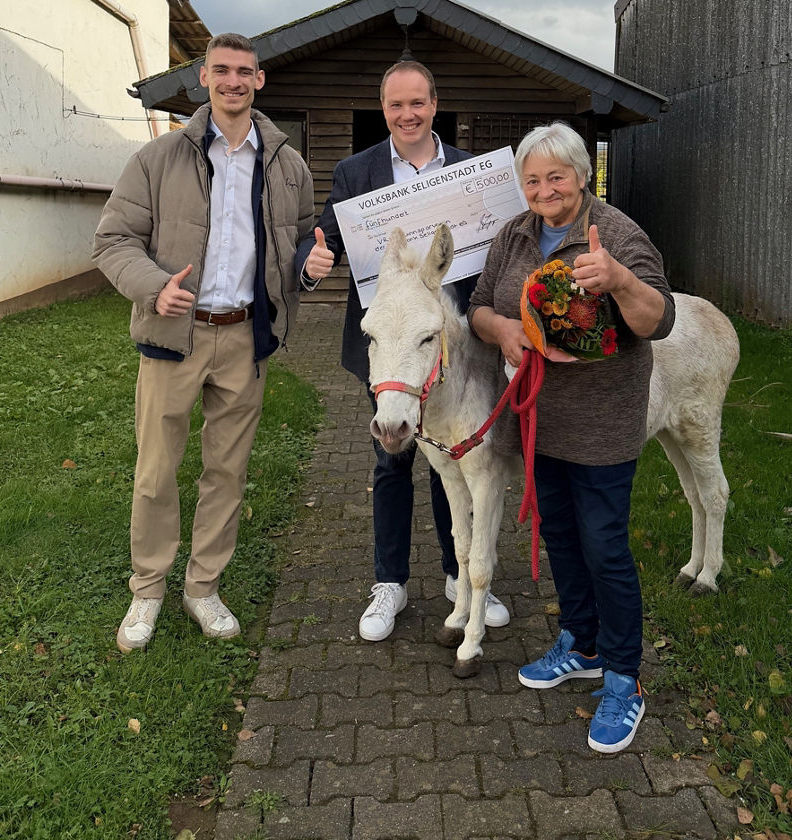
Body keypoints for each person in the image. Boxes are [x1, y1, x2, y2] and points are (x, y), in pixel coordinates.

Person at [93, 33, 314, 653]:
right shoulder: (159, 159)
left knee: (228, 471)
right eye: (222, 70)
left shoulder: (286, 164)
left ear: (260, 81)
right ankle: (148, 591)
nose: (233, 82)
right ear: (203, 79)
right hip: (175, 337)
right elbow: (112, 241)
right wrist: (155, 287)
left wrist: (308, 266)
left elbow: (294, 249)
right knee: (156, 471)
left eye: (245, 72)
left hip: (245, 336)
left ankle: (203, 587)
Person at [468, 122, 674, 753]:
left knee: (605, 546)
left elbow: (658, 319)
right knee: (557, 533)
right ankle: (581, 643)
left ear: (583, 176)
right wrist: (502, 328)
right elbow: (477, 305)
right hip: (536, 422)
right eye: (532, 179)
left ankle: (623, 676)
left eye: (556, 176)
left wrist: (619, 281)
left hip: (603, 423)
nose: (544, 189)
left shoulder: (614, 234)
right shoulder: (516, 234)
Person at [294, 59, 510, 641]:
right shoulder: (354, 172)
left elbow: (499, 248)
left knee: (456, 454)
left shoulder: (469, 172)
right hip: (393, 348)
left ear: (434, 104)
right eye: (395, 105)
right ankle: (389, 582)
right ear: (383, 108)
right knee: (392, 460)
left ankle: (455, 574)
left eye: (417, 103)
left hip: (452, 346)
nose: (407, 114)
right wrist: (312, 266)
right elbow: (325, 244)